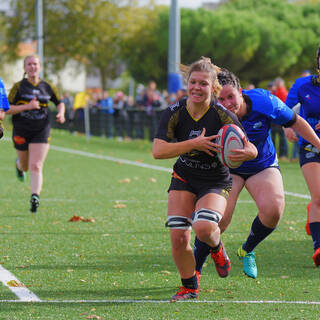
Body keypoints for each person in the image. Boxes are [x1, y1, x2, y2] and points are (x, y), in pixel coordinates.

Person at [193, 68, 320, 279]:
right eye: (221, 98)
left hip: (262, 164)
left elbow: (296, 121)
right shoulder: (210, 112)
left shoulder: (264, 102)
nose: (227, 103)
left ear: (241, 91)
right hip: (227, 169)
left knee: (274, 210)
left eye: (231, 96)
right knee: (219, 221)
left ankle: (247, 250)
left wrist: (318, 144)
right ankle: (194, 270)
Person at [152, 57, 257, 301]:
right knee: (178, 236)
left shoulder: (221, 115)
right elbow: (158, 151)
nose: (197, 88)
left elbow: (249, 147)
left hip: (215, 180)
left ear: (214, 88)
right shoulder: (174, 112)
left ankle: (217, 248)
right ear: (187, 84)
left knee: (204, 227)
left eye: (203, 84)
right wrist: (195, 143)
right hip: (184, 175)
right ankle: (189, 287)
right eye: (193, 82)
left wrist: (247, 152)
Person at [6, 54, 65, 213]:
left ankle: (35, 196)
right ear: (25, 68)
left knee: (36, 165)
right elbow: (7, 109)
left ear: (40, 67)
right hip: (21, 130)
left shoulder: (48, 86)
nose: (32, 67)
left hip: (41, 129)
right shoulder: (18, 87)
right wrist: (28, 107)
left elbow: (60, 103)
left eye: (35, 64)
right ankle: (18, 165)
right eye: (29, 64)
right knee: (25, 166)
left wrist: (61, 113)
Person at [284, 45, 320, 266]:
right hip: (311, 146)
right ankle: (319, 247)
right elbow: (284, 110)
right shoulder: (302, 84)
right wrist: (287, 127)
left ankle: (313, 213)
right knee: (319, 197)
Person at [271, 77, 289, 159]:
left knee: (282, 137)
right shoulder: (276, 91)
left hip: (280, 117)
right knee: (276, 137)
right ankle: (279, 154)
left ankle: (283, 154)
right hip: (276, 118)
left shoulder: (282, 92)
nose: (276, 84)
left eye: (277, 83)